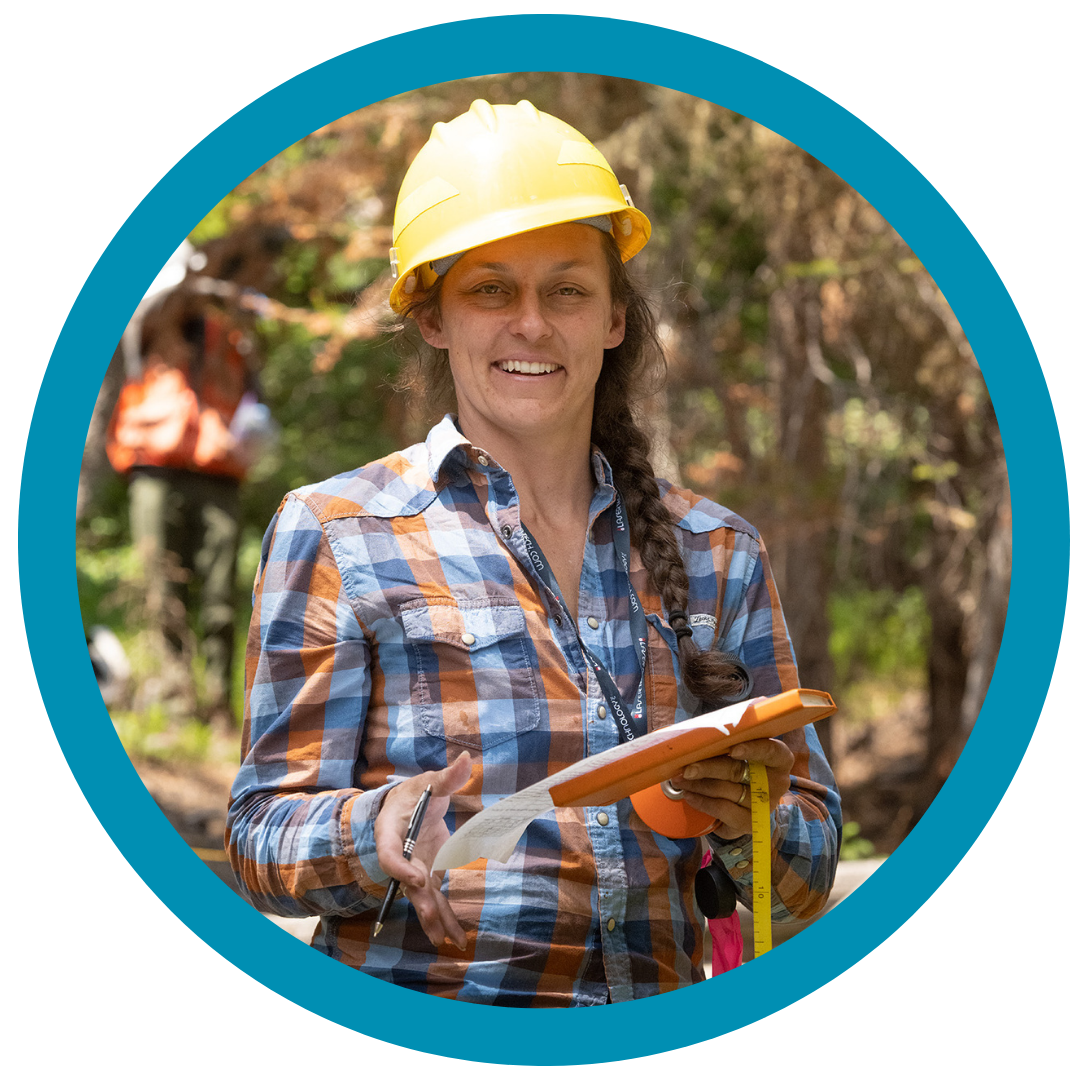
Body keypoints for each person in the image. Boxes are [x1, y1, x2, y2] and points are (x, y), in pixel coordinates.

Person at [226, 99, 841, 1005]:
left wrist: (748, 817)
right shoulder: (338, 531)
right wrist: (373, 830)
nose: (531, 323)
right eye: (490, 290)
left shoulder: (719, 553)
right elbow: (258, 839)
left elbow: (806, 880)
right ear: (433, 317)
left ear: (614, 318)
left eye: (567, 290)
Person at [107, 243, 276, 728]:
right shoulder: (151, 320)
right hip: (155, 469)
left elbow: (256, 403)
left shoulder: (234, 335)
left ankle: (221, 707)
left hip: (219, 474)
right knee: (161, 589)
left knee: (221, 597)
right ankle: (175, 704)